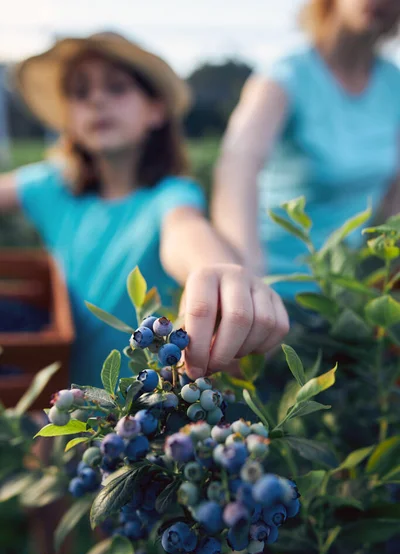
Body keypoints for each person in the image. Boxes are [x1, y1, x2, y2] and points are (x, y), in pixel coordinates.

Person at [0, 32, 289, 387]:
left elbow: (184, 228)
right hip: (70, 409)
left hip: (145, 415)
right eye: (80, 92)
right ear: (69, 118)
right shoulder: (53, 188)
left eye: (117, 88)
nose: (97, 100)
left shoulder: (169, 195)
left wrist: (214, 268)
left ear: (156, 110)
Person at [212, 0, 400, 299]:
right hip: (270, 286)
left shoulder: (393, 84)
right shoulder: (286, 75)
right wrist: (246, 277)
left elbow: (394, 196)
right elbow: (238, 165)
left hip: (340, 295)